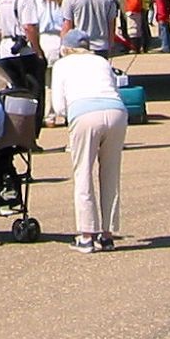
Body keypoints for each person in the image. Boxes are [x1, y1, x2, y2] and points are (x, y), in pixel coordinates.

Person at [48, 26, 127, 252]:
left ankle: (86, 235)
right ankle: (108, 233)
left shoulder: (62, 65)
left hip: (83, 113)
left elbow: (59, 106)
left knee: (83, 173)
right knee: (110, 173)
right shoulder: (101, 62)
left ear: (67, 48)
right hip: (115, 111)